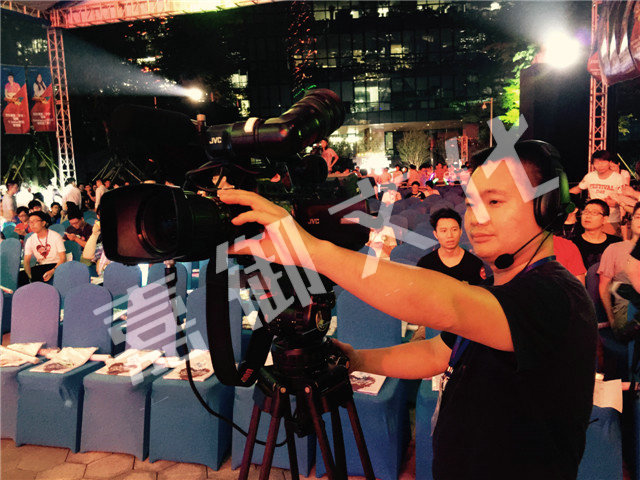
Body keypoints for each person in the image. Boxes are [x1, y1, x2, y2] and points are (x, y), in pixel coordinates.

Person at [218, 140, 597, 478]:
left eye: (495, 202)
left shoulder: (556, 295)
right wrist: (356, 359)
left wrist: (311, 250)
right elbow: (437, 353)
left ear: (547, 208)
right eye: (471, 203)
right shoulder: (500, 291)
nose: (476, 217)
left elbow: (448, 303)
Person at [412, 207, 485, 341]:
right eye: (443, 231)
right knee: (417, 345)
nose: (450, 236)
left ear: (461, 231)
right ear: (436, 234)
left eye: (454, 230)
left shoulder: (474, 264)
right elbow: (419, 299)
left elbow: (479, 302)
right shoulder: (426, 263)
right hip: (432, 322)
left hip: (465, 323)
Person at [598, 202, 640, 340]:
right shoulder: (615, 248)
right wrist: (611, 320)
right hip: (627, 312)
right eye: (638, 216)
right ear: (631, 220)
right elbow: (604, 286)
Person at [570, 150, 624, 236]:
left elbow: (624, 199)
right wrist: (562, 195)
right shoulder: (590, 176)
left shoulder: (618, 178)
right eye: (596, 162)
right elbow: (578, 188)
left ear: (610, 162)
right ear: (593, 164)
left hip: (610, 220)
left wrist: (616, 203)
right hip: (592, 219)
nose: (600, 165)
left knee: (610, 243)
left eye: (603, 162)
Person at [571, 199, 622, 269]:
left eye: (594, 213)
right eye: (585, 212)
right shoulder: (572, 243)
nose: (588, 216)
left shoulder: (616, 243)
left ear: (604, 219)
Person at [23, 211, 66, 283]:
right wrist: (30, 277)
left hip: (57, 265)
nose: (32, 224)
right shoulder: (30, 239)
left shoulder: (56, 236)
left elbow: (63, 258)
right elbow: (26, 261)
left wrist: (52, 271)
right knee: (21, 276)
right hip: (42, 266)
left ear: (43, 223)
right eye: (30, 222)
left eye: (35, 221)